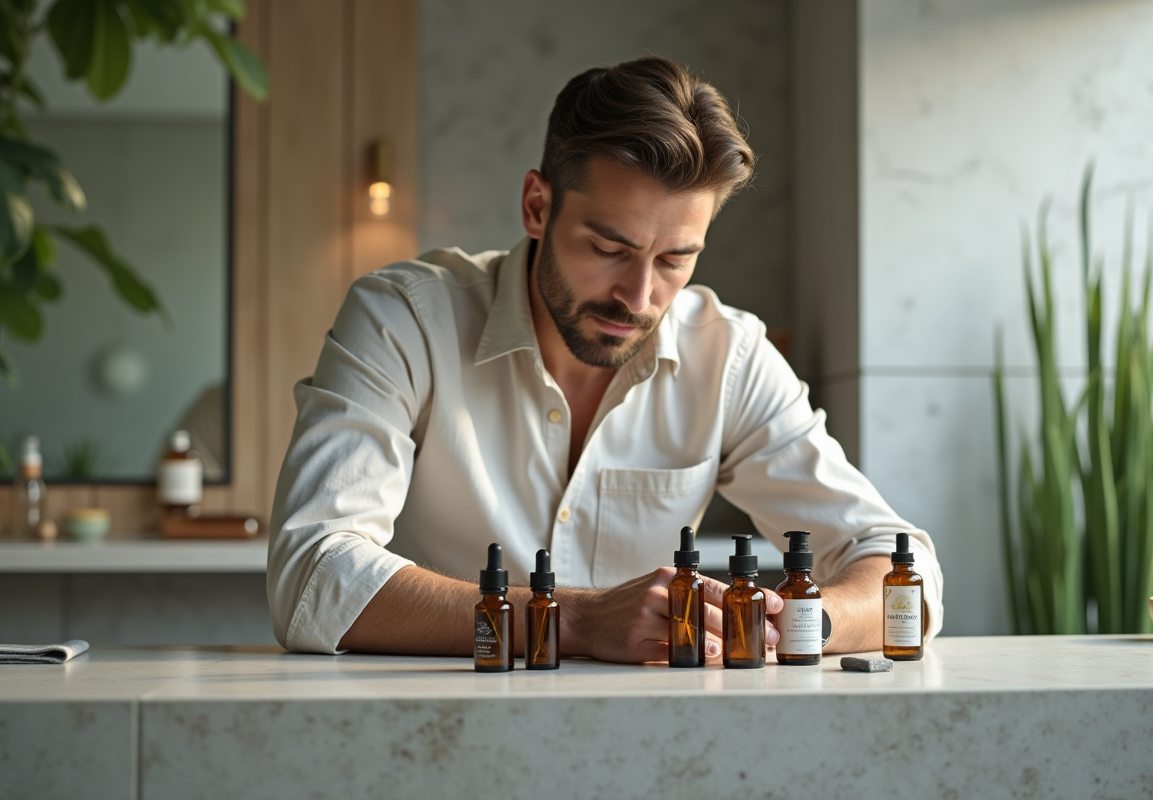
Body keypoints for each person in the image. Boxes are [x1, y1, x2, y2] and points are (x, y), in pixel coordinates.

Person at [267, 56, 943, 661]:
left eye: (676, 259)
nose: (639, 296)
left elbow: (900, 564)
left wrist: (786, 625)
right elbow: (313, 571)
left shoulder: (729, 355)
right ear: (538, 206)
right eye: (609, 249)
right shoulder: (404, 319)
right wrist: (576, 621)